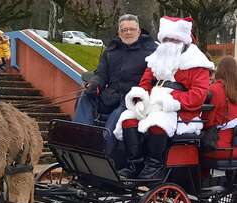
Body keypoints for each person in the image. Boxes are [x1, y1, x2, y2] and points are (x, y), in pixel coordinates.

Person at [114, 16, 214, 179]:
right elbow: (145, 83)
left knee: (158, 122)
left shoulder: (196, 62)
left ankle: (154, 166)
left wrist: (170, 99)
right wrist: (139, 99)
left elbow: (198, 96)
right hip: (152, 104)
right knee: (127, 118)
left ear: (183, 40)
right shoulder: (157, 57)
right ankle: (135, 164)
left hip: (179, 111)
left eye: (173, 39)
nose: (169, 43)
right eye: (166, 39)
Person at [73, 14, 157, 154]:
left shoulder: (151, 51)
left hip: (133, 99)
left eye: (131, 29)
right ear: (119, 32)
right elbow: (101, 74)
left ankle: (103, 150)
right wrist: (94, 84)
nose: (128, 32)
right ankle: (80, 138)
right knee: (85, 96)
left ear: (139, 31)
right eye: (124, 30)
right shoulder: (110, 51)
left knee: (117, 115)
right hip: (110, 96)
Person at [201, 56, 237, 160]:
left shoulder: (214, 89)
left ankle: (203, 176)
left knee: (193, 147)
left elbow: (207, 122)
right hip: (234, 147)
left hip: (218, 148)